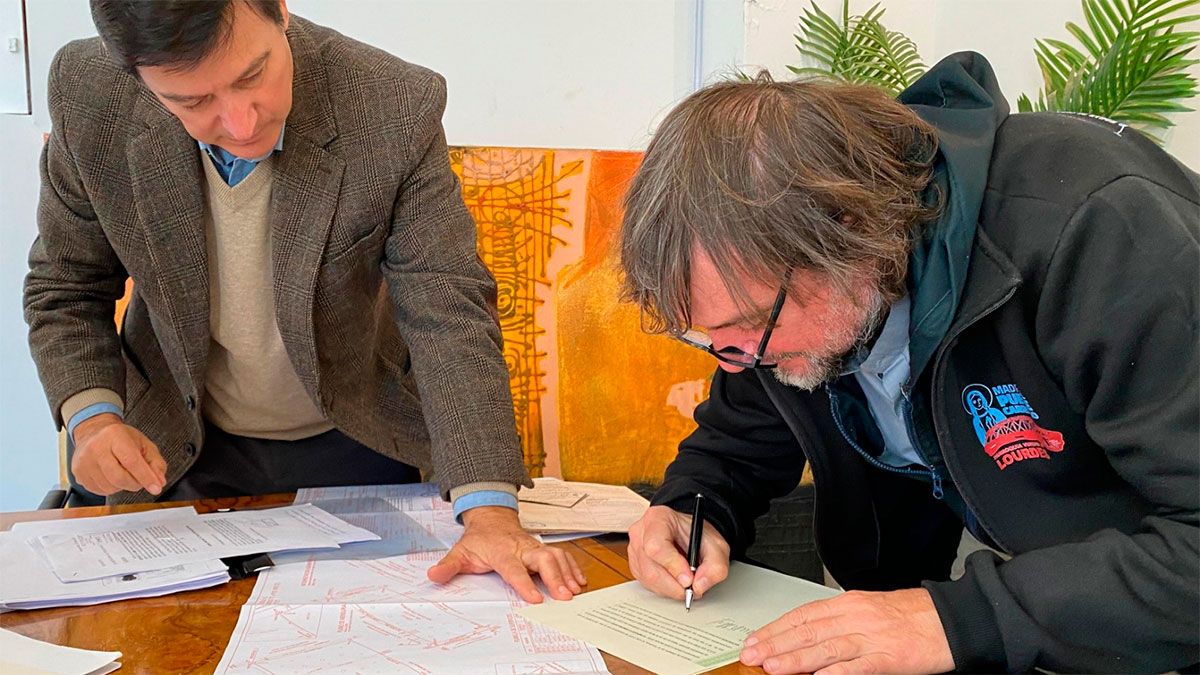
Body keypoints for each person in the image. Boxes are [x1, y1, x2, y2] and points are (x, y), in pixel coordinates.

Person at [619, 52, 1198, 673]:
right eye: (707, 334)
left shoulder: (1101, 231)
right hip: (1023, 599)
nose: (737, 361)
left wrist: (958, 620)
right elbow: (740, 444)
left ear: (846, 232)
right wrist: (692, 507)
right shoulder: (782, 315)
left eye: (754, 321)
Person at [24, 0, 585, 604]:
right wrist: (94, 421)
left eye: (253, 75)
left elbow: (447, 311)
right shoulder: (90, 96)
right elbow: (67, 285)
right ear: (135, 75)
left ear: (281, 11)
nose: (240, 124)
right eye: (193, 101)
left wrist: (491, 511)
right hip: (177, 443)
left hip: (358, 434)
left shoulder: (390, 105)